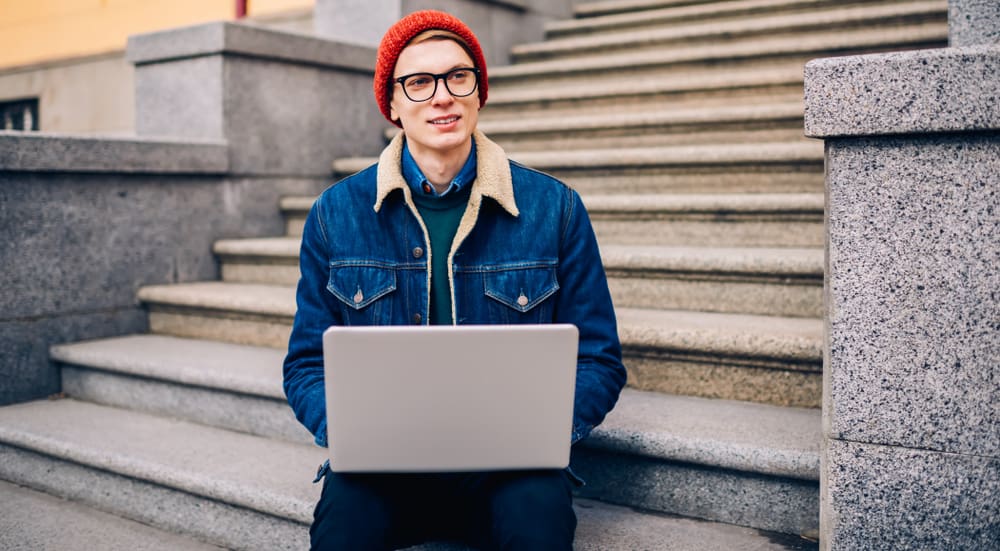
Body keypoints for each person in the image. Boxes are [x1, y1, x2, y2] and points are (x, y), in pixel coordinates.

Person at [283, 10, 626, 550]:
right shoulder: (334, 214)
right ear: (392, 104)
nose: (442, 96)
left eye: (457, 76)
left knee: (539, 525)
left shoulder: (555, 209)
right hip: (383, 466)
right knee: (342, 533)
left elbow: (599, 359)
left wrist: (538, 432)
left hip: (511, 466)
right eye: (418, 83)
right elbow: (306, 364)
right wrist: (352, 435)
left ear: (478, 91)